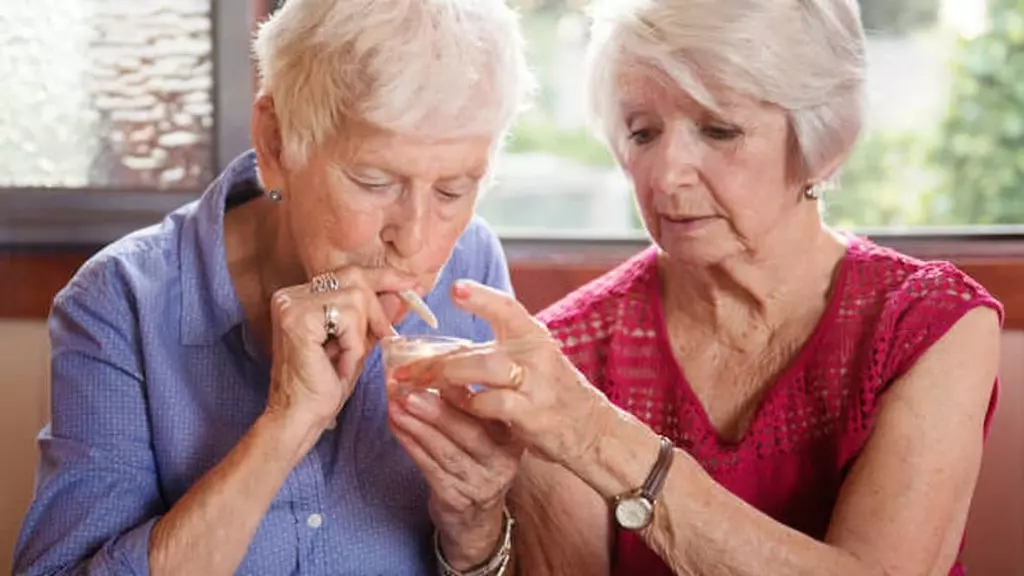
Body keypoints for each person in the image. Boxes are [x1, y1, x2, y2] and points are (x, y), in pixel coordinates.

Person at [397, 0, 1004, 574]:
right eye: (642, 133)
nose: (665, 174)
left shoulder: (930, 326)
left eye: (718, 130)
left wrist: (598, 437)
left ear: (823, 141)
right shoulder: (568, 353)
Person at [13, 0, 533, 574]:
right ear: (277, 144)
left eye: (453, 191)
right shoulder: (122, 301)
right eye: (375, 181)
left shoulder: (473, 267)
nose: (413, 240)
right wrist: (285, 424)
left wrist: (476, 525)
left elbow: (496, 558)